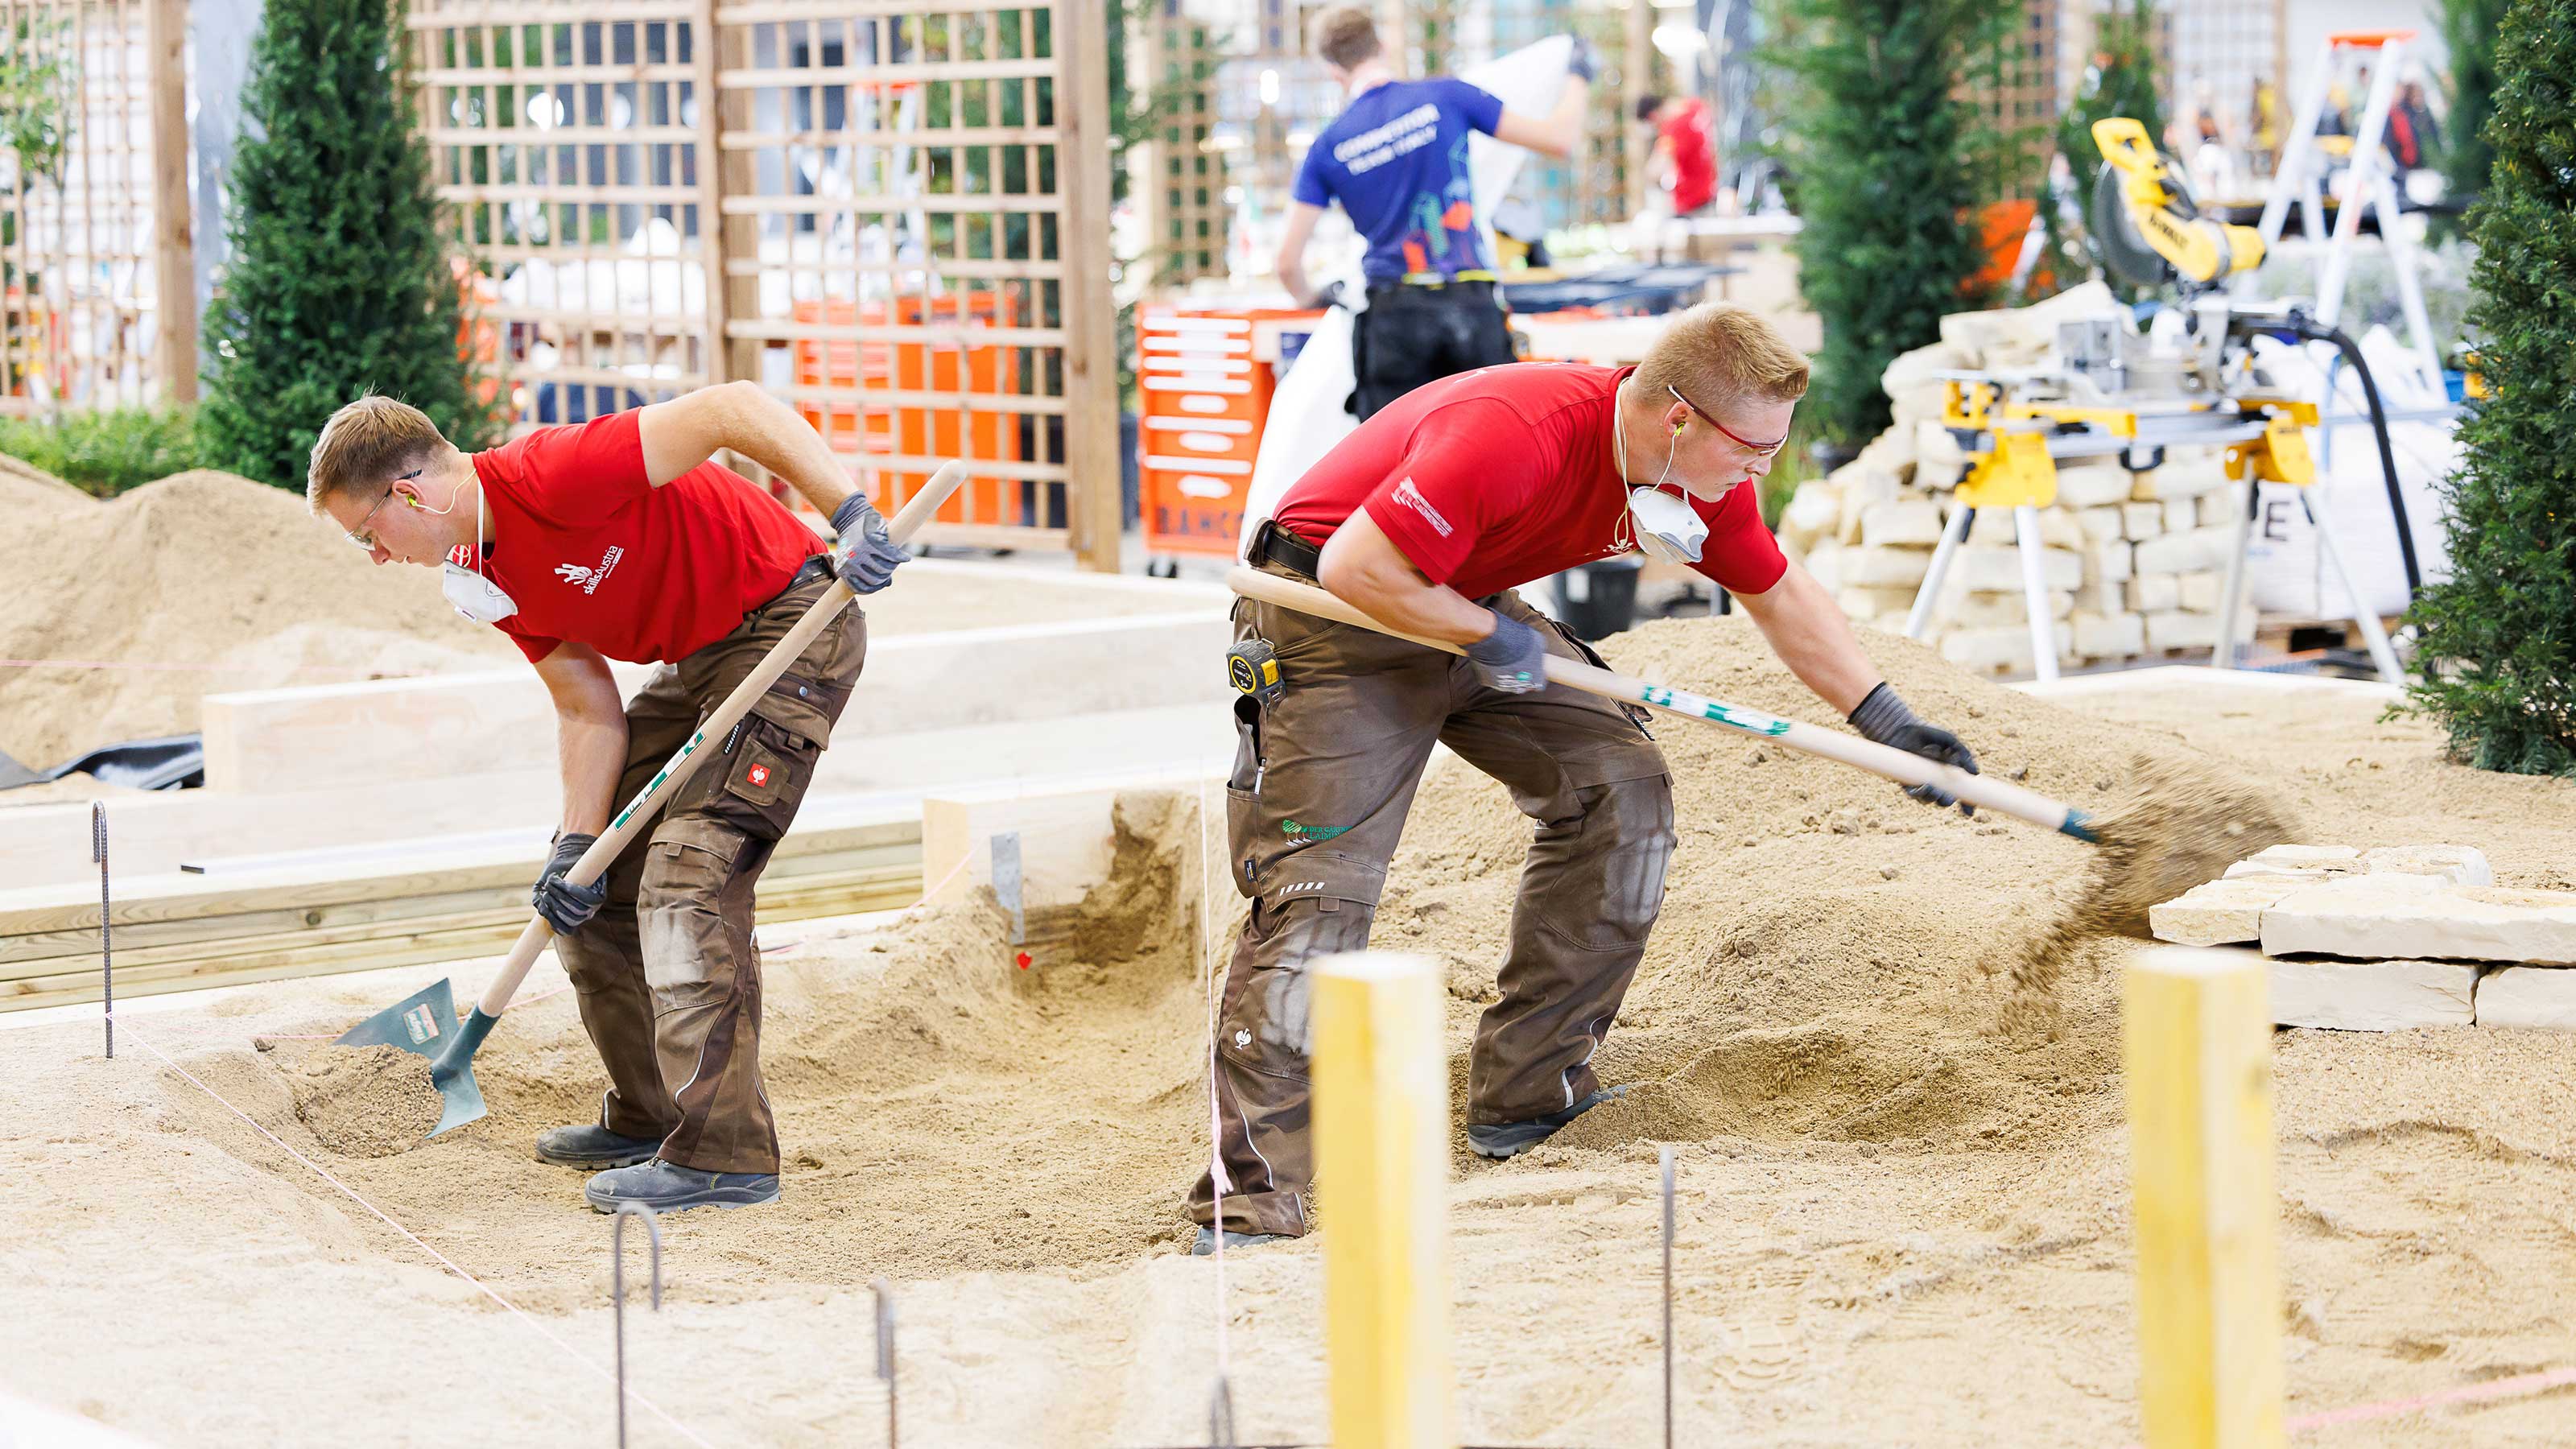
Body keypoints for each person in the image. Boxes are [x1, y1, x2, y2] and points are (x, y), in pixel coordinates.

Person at [1193, 304, 1979, 1253]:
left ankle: (1527, 1095)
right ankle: (1250, 1203)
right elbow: (1363, 564)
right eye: (1753, 448)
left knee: (1624, 795)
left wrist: (1882, 719)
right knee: (1320, 895)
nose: (1763, 468)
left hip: (1460, 602)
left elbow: (1776, 592)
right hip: (1331, 610)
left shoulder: (1700, 477)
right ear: (1678, 418)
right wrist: (1490, 638)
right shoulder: (1511, 436)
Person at [303, 384, 908, 1213]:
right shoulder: (480, 571)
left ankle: (724, 1155)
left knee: (687, 878)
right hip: (699, 658)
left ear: (408, 494)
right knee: (590, 890)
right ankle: (652, 1113)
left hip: (789, 621)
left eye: (369, 533)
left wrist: (849, 510)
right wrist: (574, 846)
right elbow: (586, 707)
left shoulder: (554, 473)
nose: (376, 555)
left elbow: (731, 407)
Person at [1274, 5, 1591, 420]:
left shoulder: (1328, 147)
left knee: (1400, 465)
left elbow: (1285, 263)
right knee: (1492, 446)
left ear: (1333, 70)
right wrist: (1579, 76)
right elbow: (1558, 138)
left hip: (1393, 320)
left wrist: (1312, 297)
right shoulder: (1447, 96)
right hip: (1471, 305)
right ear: (1382, 46)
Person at [1636, 92, 1719, 218]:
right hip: (1710, 191)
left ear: (1652, 116)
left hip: (1693, 203)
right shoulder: (1696, 106)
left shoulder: (1673, 129)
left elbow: (1657, 169)